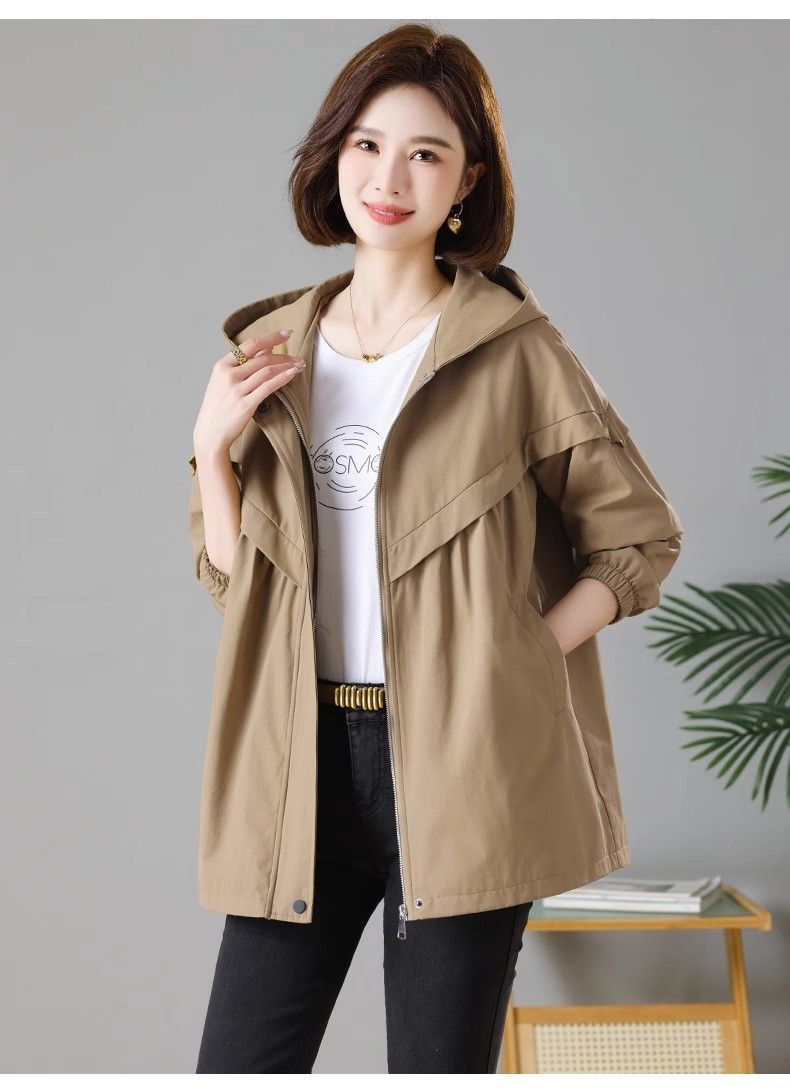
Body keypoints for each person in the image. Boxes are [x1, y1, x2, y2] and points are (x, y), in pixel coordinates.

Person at [187, 23, 684, 1074]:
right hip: (301, 761)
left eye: (426, 153)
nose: (389, 178)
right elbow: (237, 586)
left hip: (465, 763)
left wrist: (519, 655)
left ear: (467, 182)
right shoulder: (270, 351)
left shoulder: (514, 352)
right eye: (367, 144)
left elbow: (636, 536)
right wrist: (211, 452)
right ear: (331, 157)